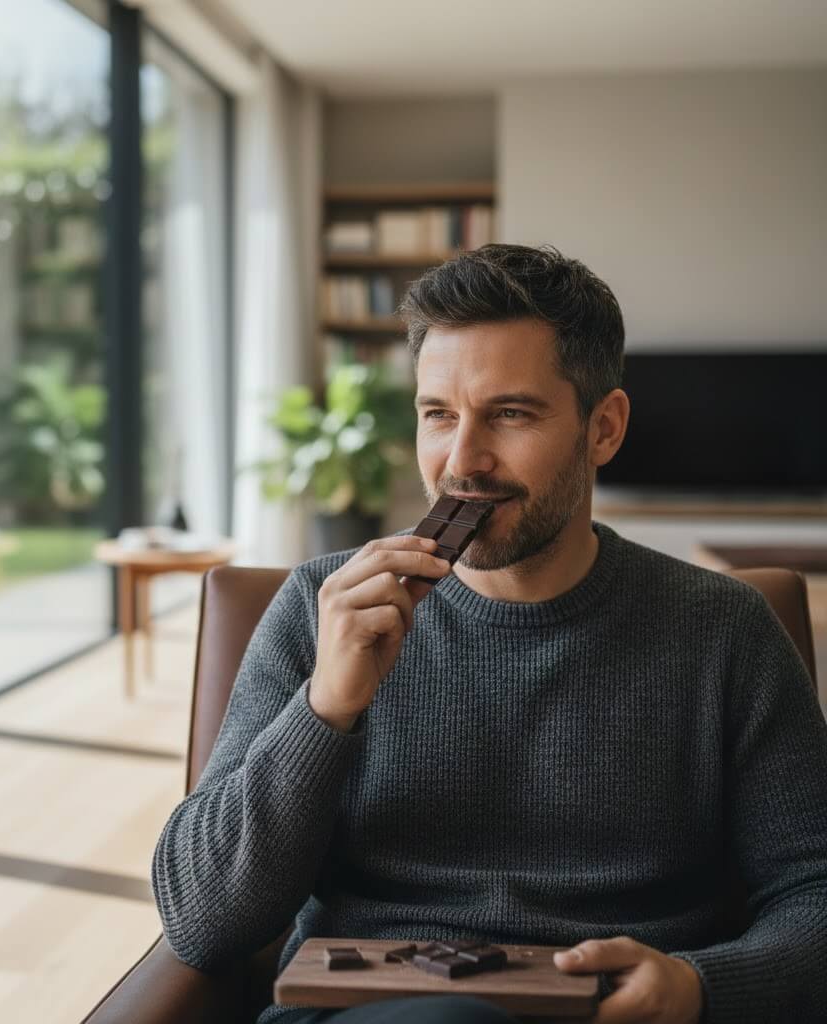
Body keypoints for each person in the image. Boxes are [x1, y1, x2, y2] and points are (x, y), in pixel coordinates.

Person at [151, 244, 827, 1024]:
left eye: (510, 414)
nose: (461, 461)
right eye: (437, 414)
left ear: (602, 428)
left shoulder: (722, 632)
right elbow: (202, 923)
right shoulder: (320, 609)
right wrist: (326, 706)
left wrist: (701, 987)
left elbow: (814, 889)